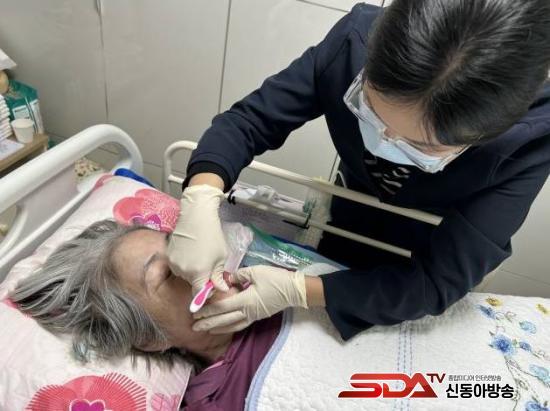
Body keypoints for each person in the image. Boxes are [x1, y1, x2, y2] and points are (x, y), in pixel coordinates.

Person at [167, 0, 550, 340]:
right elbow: (248, 123)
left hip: (427, 244)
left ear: (485, 135)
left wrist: (299, 291)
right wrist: (201, 194)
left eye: (420, 146)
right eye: (369, 110)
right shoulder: (355, 41)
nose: (384, 141)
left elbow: (435, 283)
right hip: (350, 207)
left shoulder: (530, 138)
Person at [10, 220, 284, 410]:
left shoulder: (276, 283)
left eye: (178, 244)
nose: (194, 262)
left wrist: (304, 291)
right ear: (152, 339)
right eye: (166, 274)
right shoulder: (216, 401)